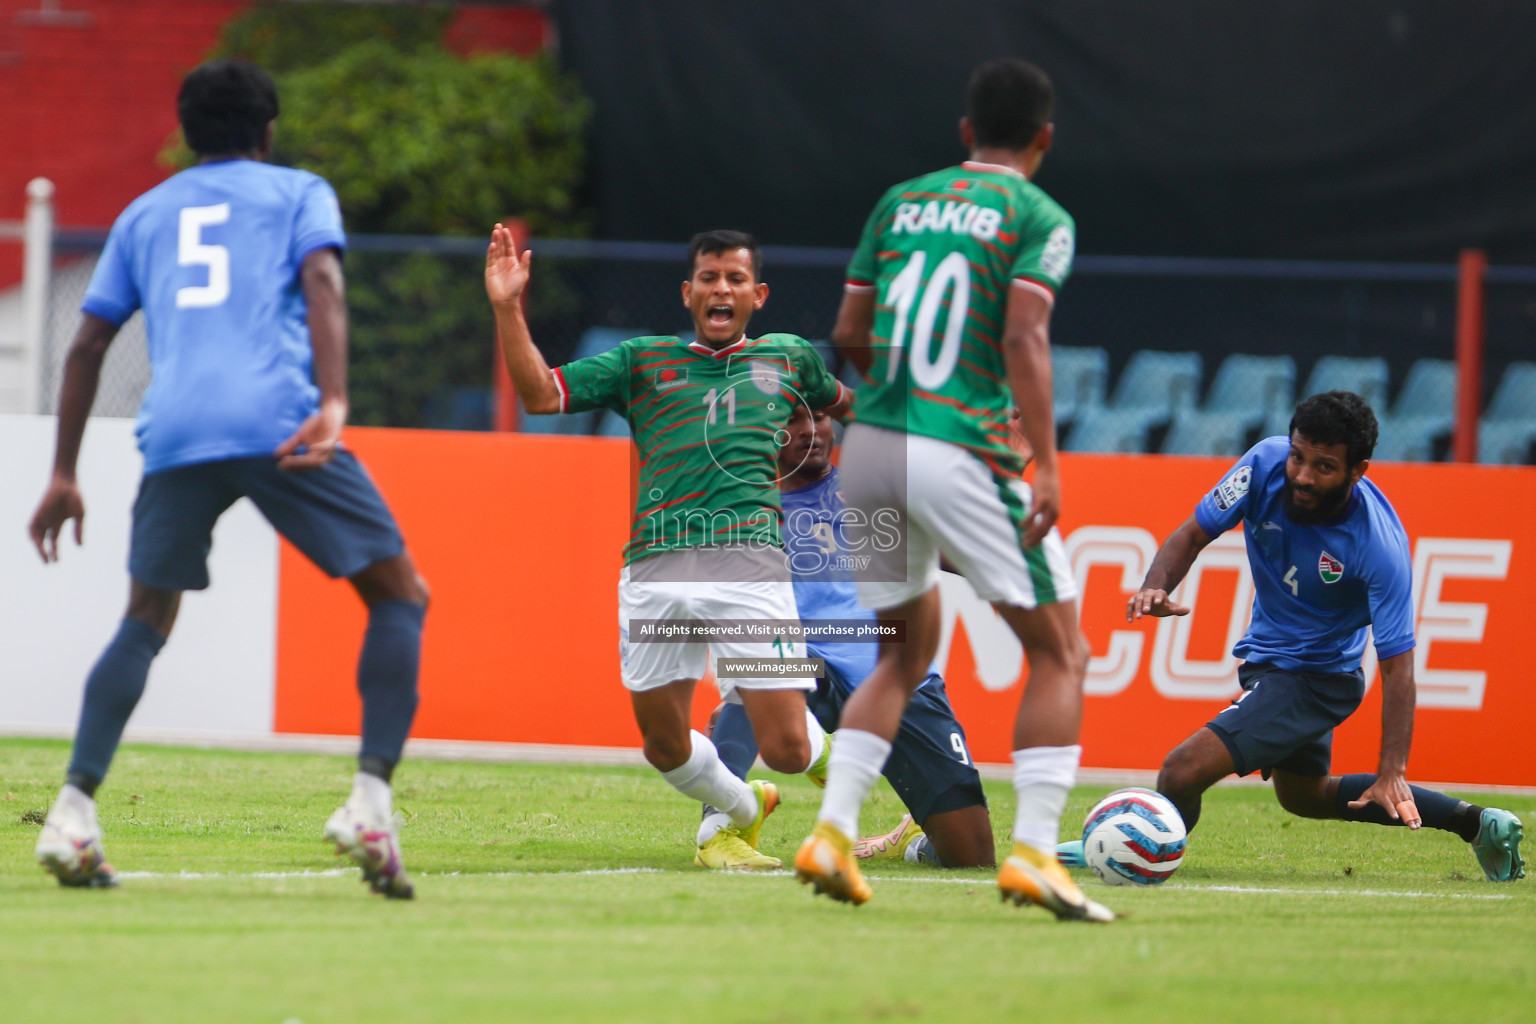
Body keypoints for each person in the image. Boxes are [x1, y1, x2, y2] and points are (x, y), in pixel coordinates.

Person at [28, 60, 429, 898]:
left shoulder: (144, 213)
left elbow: (87, 345)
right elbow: (322, 279)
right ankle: (369, 802)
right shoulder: (297, 192)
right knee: (398, 594)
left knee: (143, 619)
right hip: (280, 422)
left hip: (176, 431)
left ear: (187, 130)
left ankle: (71, 813)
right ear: (267, 130)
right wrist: (334, 398)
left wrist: (64, 472)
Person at [796, 58, 1110, 921]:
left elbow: (848, 331)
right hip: (959, 449)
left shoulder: (900, 201)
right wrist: (1042, 457)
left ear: (966, 132)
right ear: (1045, 138)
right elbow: (1025, 334)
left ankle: (830, 833)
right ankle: (1038, 858)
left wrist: (892, 403)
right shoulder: (1040, 214)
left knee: (902, 650)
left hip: (870, 451)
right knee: (1061, 653)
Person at [485, 227, 850, 869]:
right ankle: (741, 809)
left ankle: (852, 776)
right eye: (708, 277)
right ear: (688, 292)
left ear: (757, 294)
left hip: (750, 575)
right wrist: (508, 307)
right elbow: (541, 395)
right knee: (663, 745)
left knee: (789, 747)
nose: (721, 288)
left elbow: (842, 404)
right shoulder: (641, 362)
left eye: (735, 278)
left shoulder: (789, 358)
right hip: (657, 578)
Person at [1071, 391, 1522, 882]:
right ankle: (1478, 824)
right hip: (1272, 661)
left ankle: (1130, 852)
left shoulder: (1377, 548)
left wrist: (1393, 769)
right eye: (1298, 456)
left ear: (1359, 470)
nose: (1303, 476)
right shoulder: (1262, 464)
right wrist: (1155, 586)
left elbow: (1398, 668)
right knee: (1304, 796)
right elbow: (1190, 535)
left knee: (1181, 770)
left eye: (1324, 466)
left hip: (1316, 679)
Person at [706, 403, 994, 868]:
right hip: (808, 667)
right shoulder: (743, 506)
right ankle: (717, 831)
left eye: (819, 417)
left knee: (972, 857)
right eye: (792, 420)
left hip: (899, 679)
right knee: (751, 672)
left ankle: (915, 838)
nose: (810, 431)